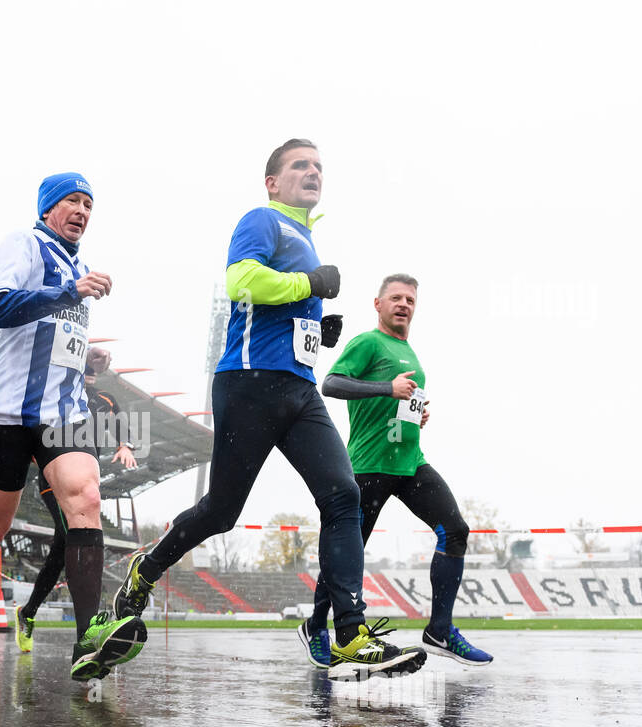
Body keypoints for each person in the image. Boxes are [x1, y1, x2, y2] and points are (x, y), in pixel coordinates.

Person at [114, 139, 425, 679]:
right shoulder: (262, 219)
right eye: (300, 165)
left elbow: (277, 306)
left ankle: (348, 631)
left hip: (299, 389)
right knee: (222, 511)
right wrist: (311, 283)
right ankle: (147, 566)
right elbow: (242, 282)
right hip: (250, 383)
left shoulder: (306, 235)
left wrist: (314, 328)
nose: (313, 172)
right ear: (272, 182)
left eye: (319, 166)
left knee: (343, 494)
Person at [0, 172, 145, 681]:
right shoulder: (25, 243)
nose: (82, 210)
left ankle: (88, 638)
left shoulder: (79, 266)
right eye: (72, 201)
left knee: (85, 499)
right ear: (47, 209)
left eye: (88, 203)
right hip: (9, 412)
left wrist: (89, 353)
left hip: (64, 411)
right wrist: (69, 291)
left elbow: (56, 334)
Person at [306, 275, 492, 666]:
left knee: (455, 530)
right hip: (368, 466)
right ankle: (316, 626)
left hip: (409, 463)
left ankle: (440, 630)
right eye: (395, 298)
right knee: (346, 555)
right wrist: (386, 390)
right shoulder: (367, 342)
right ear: (378, 304)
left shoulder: (410, 353)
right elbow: (332, 383)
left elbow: (399, 400)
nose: (403, 304)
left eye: (410, 299)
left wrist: (413, 416)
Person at [13, 347, 137, 653]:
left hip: (85, 478)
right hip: (53, 476)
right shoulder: (57, 395)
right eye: (85, 368)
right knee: (70, 538)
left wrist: (126, 445)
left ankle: (28, 612)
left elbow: (121, 420)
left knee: (62, 546)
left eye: (94, 369)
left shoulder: (104, 399)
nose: (90, 374)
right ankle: (86, 632)